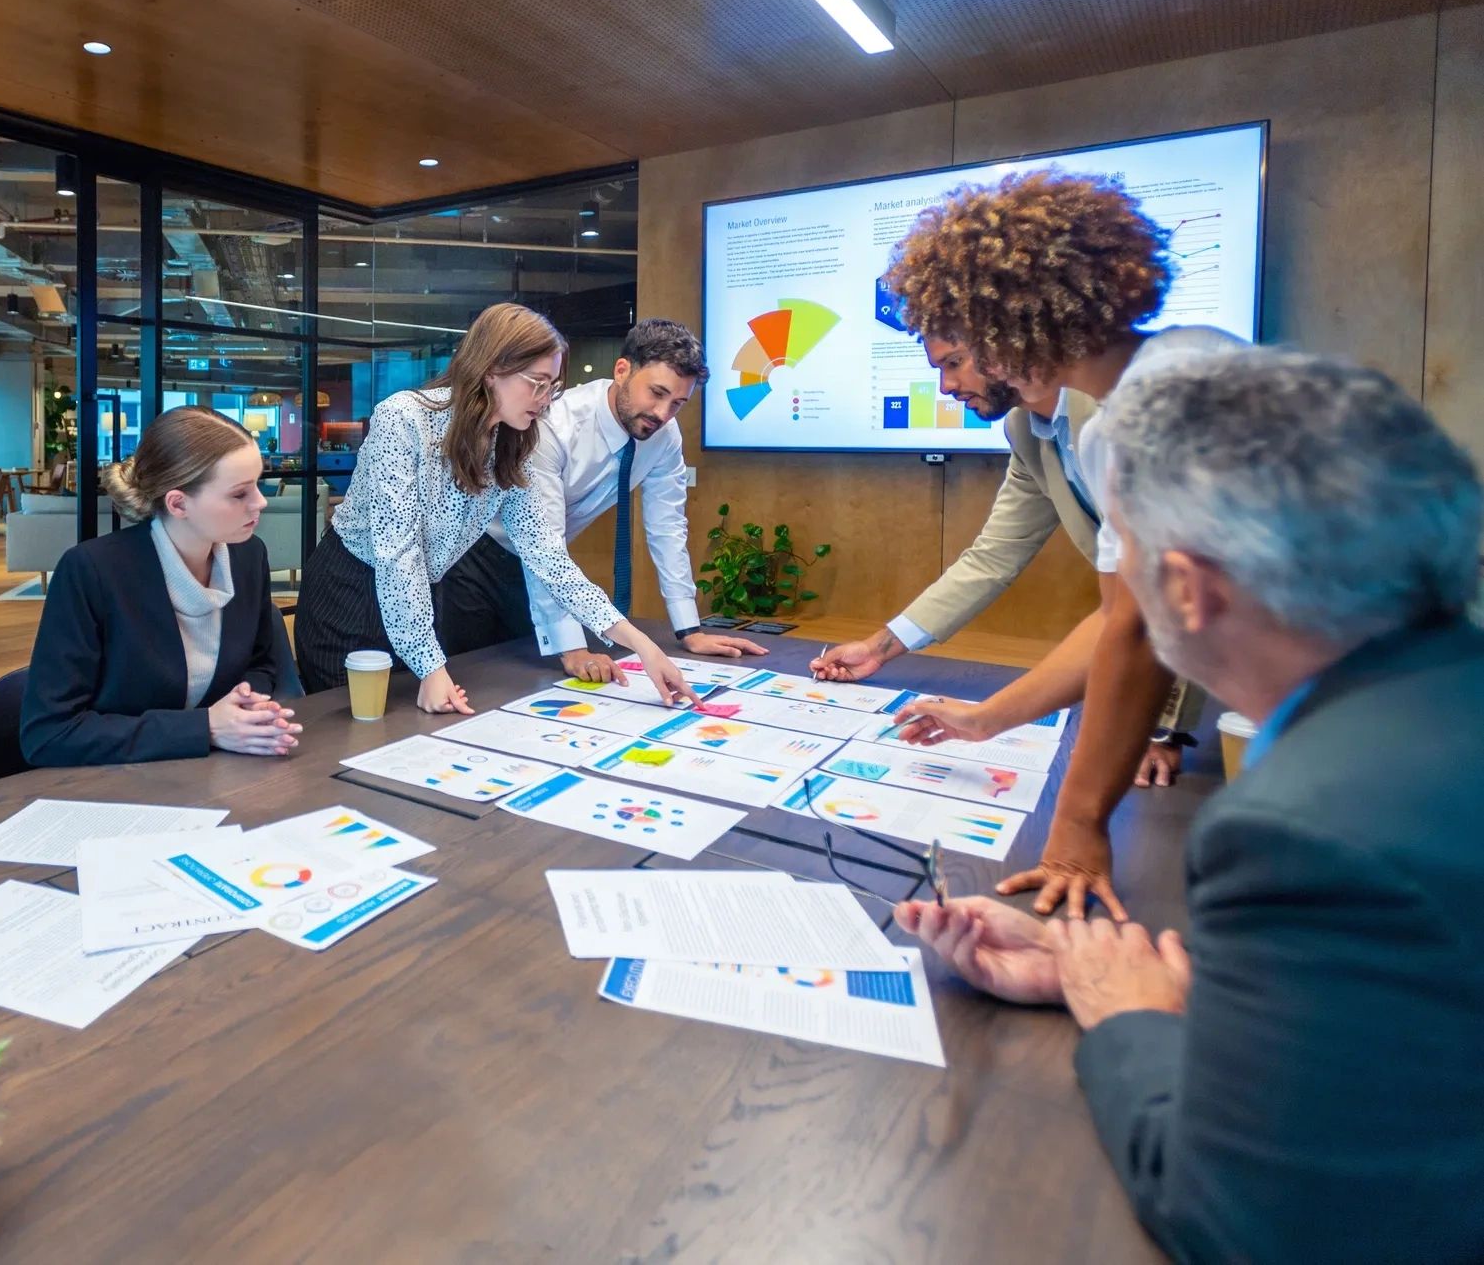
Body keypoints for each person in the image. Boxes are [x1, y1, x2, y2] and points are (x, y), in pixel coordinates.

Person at [898, 349, 1484, 1263]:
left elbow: (1242, 1219)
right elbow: (1403, 1009)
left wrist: (1124, 1016)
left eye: (1121, 555)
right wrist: (1101, 969)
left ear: (1184, 587)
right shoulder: (1433, 716)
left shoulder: (1305, 831)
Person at [847, 168, 1239, 917]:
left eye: (958, 356)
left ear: (1005, 330)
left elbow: (1138, 626)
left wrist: (1076, 832)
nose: (951, 382)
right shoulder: (1140, 385)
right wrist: (985, 718)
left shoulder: (1150, 405)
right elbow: (1115, 611)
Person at [293, 302, 694, 712]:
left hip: (422, 604)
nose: (545, 400)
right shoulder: (403, 419)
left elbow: (547, 557)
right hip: (350, 598)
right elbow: (398, 555)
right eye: (537, 383)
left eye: (552, 386)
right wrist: (430, 666)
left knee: (412, 732)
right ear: (491, 370)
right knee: (351, 733)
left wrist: (641, 645)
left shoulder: (512, 444)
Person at [437, 318, 770, 683]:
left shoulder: (663, 436)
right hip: (477, 559)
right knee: (472, 678)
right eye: (656, 393)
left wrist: (689, 628)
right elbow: (544, 542)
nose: (662, 414)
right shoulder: (553, 425)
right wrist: (572, 648)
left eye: (677, 403)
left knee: (524, 680)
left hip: (550, 569)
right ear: (622, 370)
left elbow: (668, 528)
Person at [20, 406, 301, 766]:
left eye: (258, 485)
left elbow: (261, 664)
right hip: (119, 783)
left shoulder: (248, 557)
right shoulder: (92, 571)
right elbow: (48, 734)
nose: (260, 502)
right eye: (239, 494)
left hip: (220, 772)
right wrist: (206, 728)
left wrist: (244, 704)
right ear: (178, 503)